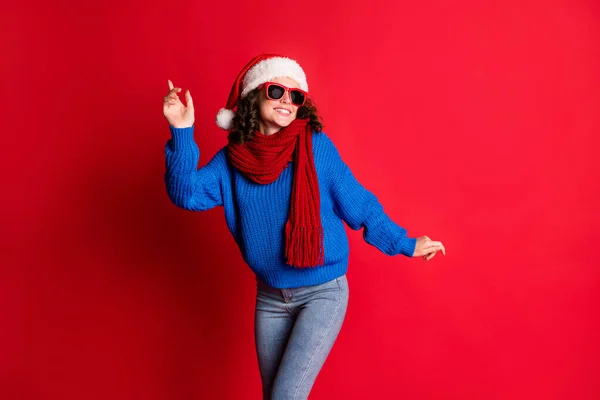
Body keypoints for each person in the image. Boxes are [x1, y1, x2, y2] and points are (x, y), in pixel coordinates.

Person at [162, 54, 446, 399]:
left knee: (286, 396)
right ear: (254, 95)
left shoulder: (316, 149)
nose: (287, 101)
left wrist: (404, 243)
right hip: (269, 296)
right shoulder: (231, 160)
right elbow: (186, 194)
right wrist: (181, 130)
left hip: (323, 293)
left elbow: (358, 203)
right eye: (277, 90)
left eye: (296, 96)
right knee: (274, 395)